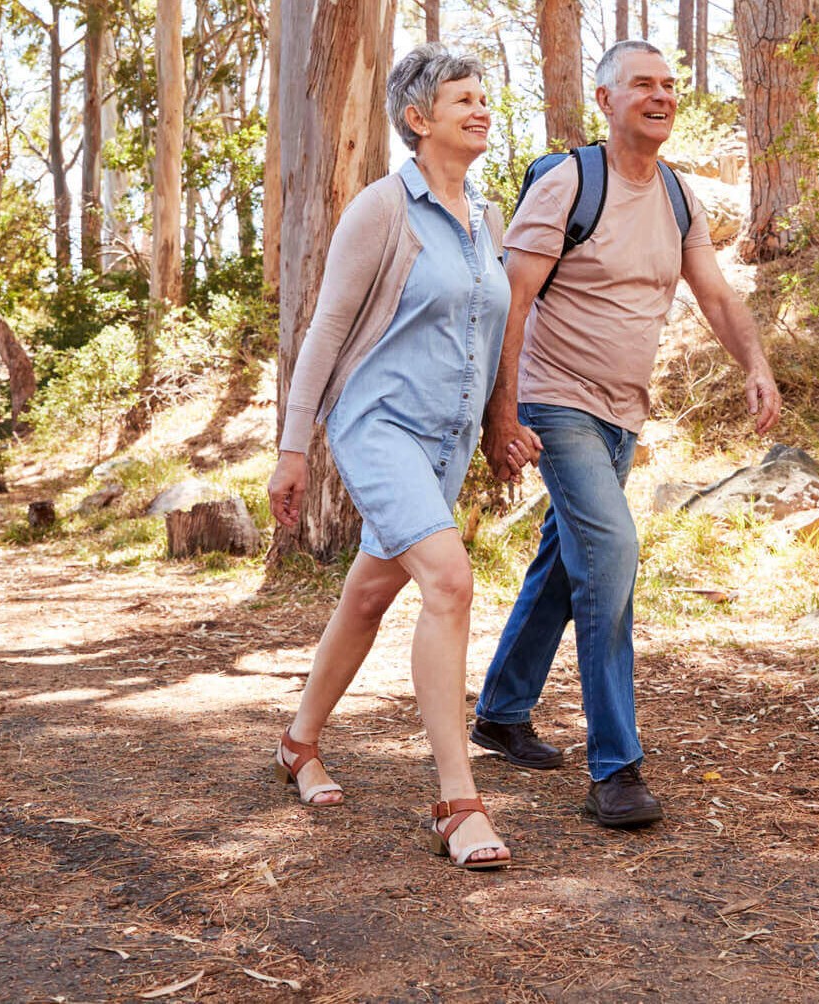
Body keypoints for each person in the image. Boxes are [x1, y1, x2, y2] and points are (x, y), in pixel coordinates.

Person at [470, 40, 782, 828]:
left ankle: (501, 711)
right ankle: (616, 767)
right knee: (610, 553)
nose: (661, 95)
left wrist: (755, 363)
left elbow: (712, 293)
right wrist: (499, 413)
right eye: (641, 83)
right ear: (605, 100)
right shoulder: (571, 182)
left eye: (670, 85)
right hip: (555, 402)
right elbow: (511, 301)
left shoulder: (677, 195)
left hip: (622, 413)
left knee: (560, 561)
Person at [264, 44, 536, 870]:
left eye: (485, 98)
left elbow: (491, 335)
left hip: (444, 443)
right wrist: (293, 446)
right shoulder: (381, 209)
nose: (481, 110)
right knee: (449, 580)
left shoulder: (486, 219)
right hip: (377, 426)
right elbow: (326, 330)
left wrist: (497, 424)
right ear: (418, 120)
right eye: (463, 99)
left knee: (369, 596)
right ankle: (457, 802)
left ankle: (297, 741)